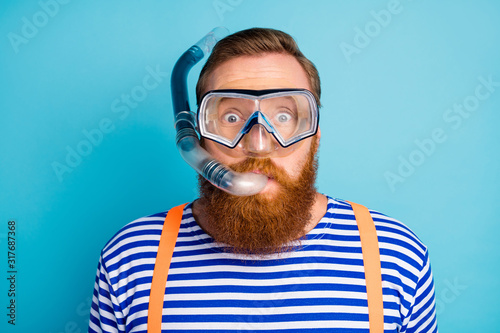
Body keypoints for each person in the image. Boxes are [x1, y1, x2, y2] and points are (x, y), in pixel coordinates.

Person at [88, 28, 437, 332]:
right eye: (230, 116)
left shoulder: (395, 255)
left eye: (283, 116)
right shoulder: (131, 258)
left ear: (314, 135)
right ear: (197, 137)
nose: (258, 145)